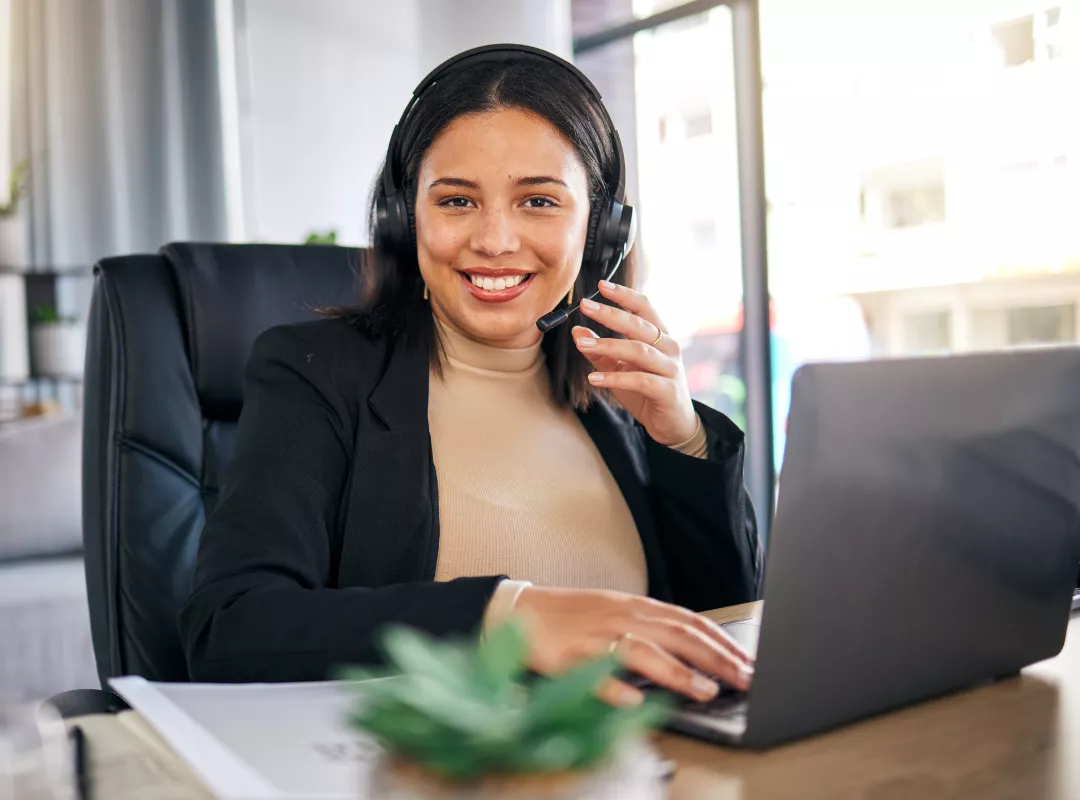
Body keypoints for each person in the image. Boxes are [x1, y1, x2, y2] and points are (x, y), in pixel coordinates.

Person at [179, 45, 762, 708]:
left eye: (538, 201)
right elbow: (228, 630)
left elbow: (727, 635)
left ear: (601, 233)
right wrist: (502, 615)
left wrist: (681, 438)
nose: (494, 240)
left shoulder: (620, 395)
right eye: (457, 200)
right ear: (405, 221)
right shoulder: (314, 373)